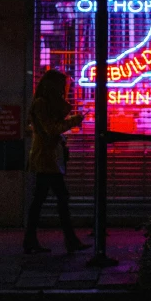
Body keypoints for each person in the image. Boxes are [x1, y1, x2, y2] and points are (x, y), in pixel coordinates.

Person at [23, 69, 91, 255]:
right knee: (55, 198)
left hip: (50, 158)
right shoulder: (41, 104)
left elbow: (58, 118)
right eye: (62, 86)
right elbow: (52, 129)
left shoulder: (47, 103)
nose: (64, 89)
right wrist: (74, 120)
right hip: (45, 158)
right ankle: (68, 240)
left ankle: (33, 239)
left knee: (44, 199)